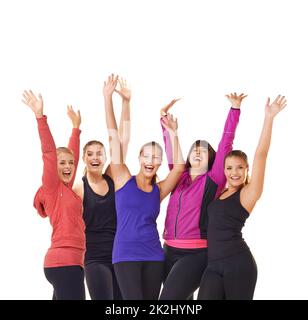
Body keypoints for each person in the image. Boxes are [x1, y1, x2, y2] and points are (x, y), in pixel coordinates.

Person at [103, 74, 185, 300]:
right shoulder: (123, 179)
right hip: (125, 255)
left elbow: (179, 167)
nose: (151, 160)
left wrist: (173, 133)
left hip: (153, 255)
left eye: (156, 157)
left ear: (159, 162)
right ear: (139, 158)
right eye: (147, 155)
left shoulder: (158, 190)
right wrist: (112, 100)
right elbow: (114, 139)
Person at [197, 95, 287, 300]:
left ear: (247, 169)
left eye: (239, 168)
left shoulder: (248, 193)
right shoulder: (220, 193)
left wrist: (269, 117)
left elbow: (261, 154)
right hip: (212, 266)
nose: (234, 172)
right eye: (229, 168)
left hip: (237, 264)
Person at [159, 93, 245, 300]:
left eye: (204, 151)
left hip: (196, 253)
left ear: (212, 159)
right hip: (169, 249)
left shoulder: (213, 180)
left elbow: (226, 142)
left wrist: (234, 109)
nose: (198, 152)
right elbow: (171, 147)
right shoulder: (178, 175)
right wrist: (164, 120)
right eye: (194, 149)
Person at [22, 90, 86, 300]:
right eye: (62, 163)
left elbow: (72, 158)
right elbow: (49, 153)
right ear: (53, 168)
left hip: (69, 263)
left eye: (70, 163)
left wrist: (76, 129)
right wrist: (40, 118)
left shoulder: (66, 190)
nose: (68, 166)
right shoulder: (52, 187)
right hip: (64, 263)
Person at [73, 77, 131, 300]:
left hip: (119, 255)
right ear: (84, 159)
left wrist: (125, 103)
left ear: (106, 157)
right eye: (90, 154)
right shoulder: (80, 187)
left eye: (100, 153)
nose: (95, 157)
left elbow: (121, 139)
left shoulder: (111, 179)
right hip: (94, 258)